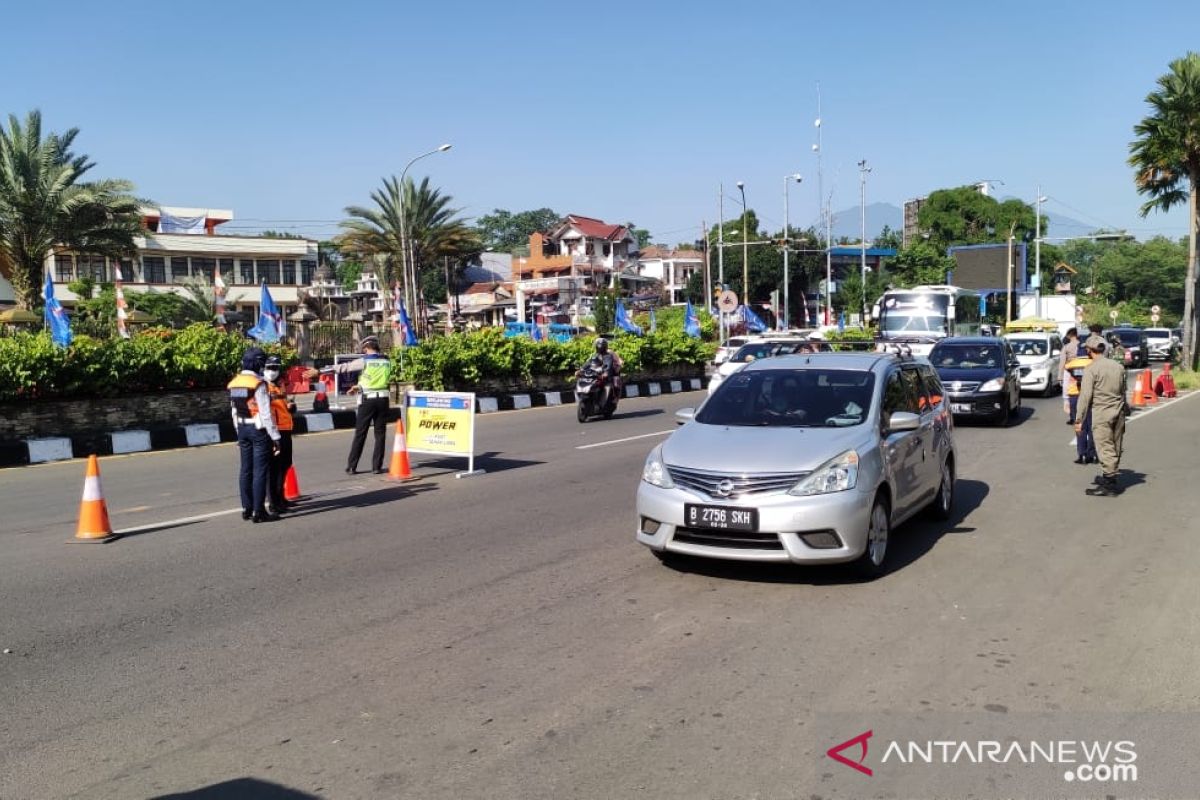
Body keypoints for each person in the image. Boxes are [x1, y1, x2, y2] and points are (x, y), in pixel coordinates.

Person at [306, 336, 392, 474]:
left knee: (360, 433)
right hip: (383, 400)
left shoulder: (365, 361)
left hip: (367, 401)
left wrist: (319, 371)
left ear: (366, 347)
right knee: (380, 435)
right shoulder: (387, 361)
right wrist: (358, 387)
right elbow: (376, 380)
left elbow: (343, 368)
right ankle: (377, 467)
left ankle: (352, 466)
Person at [228, 346, 281, 523]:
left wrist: (238, 432)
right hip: (259, 430)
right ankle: (259, 512)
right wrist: (275, 437)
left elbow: (234, 411)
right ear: (257, 363)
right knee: (260, 471)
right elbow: (265, 413)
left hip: (242, 429)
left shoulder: (235, 382)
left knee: (245, 469)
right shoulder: (258, 383)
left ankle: (247, 508)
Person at [1076, 334, 1128, 496]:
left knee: (1104, 447)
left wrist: (1079, 420)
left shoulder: (1091, 369)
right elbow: (1123, 390)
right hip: (1118, 411)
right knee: (1115, 444)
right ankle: (1109, 476)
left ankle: (1109, 485)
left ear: (1089, 350)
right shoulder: (1118, 366)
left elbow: (1085, 396)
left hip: (1102, 412)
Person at [264, 355, 296, 514]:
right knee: (274, 468)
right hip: (274, 431)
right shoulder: (263, 387)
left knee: (285, 465)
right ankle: (273, 502)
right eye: (269, 368)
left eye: (275, 368)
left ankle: (281, 497)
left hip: (285, 429)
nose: (272, 371)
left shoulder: (279, 385)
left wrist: (290, 406)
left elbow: (284, 403)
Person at [1063, 343, 1098, 465]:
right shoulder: (1093, 363)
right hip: (1091, 397)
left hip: (1075, 396)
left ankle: (1082, 454)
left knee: (1079, 426)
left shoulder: (1071, 364)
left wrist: (1065, 400)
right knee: (1092, 427)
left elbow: (1066, 382)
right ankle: (1092, 454)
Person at [1060, 327, 1079, 421]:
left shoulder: (1066, 347)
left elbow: (1062, 362)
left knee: (1067, 392)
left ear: (1069, 336)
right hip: (1083, 370)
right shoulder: (1083, 346)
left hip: (1069, 371)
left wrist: (1060, 376)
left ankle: (1072, 415)